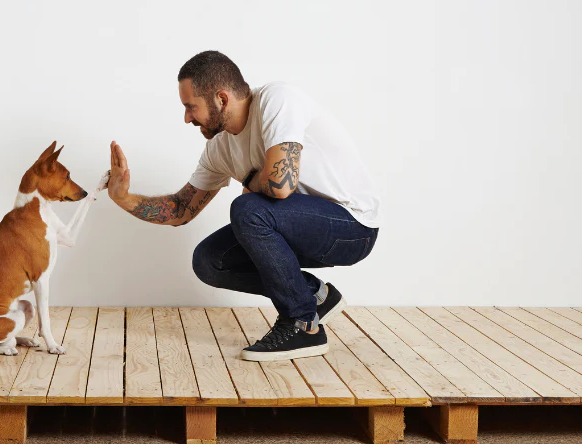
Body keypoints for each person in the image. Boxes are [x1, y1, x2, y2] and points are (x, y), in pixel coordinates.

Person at [107, 51, 380, 361]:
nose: (186, 118)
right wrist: (123, 198)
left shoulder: (277, 100)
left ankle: (304, 325)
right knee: (209, 260)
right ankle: (316, 296)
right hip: (300, 230)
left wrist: (251, 184)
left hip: (353, 228)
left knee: (249, 210)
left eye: (190, 107)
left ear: (221, 98)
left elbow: (281, 185)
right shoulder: (220, 148)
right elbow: (181, 210)